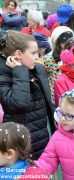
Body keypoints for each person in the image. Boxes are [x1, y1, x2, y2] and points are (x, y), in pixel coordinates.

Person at [0, 30, 55, 159]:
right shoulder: (3, 76)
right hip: (21, 144)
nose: (38, 57)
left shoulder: (37, 69)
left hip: (43, 138)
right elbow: (20, 103)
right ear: (18, 54)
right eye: (33, 53)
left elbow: (48, 103)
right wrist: (19, 71)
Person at [43, 26, 74, 102]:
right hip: (55, 96)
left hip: (72, 94)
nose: (67, 42)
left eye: (70, 38)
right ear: (57, 40)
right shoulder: (47, 59)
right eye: (64, 38)